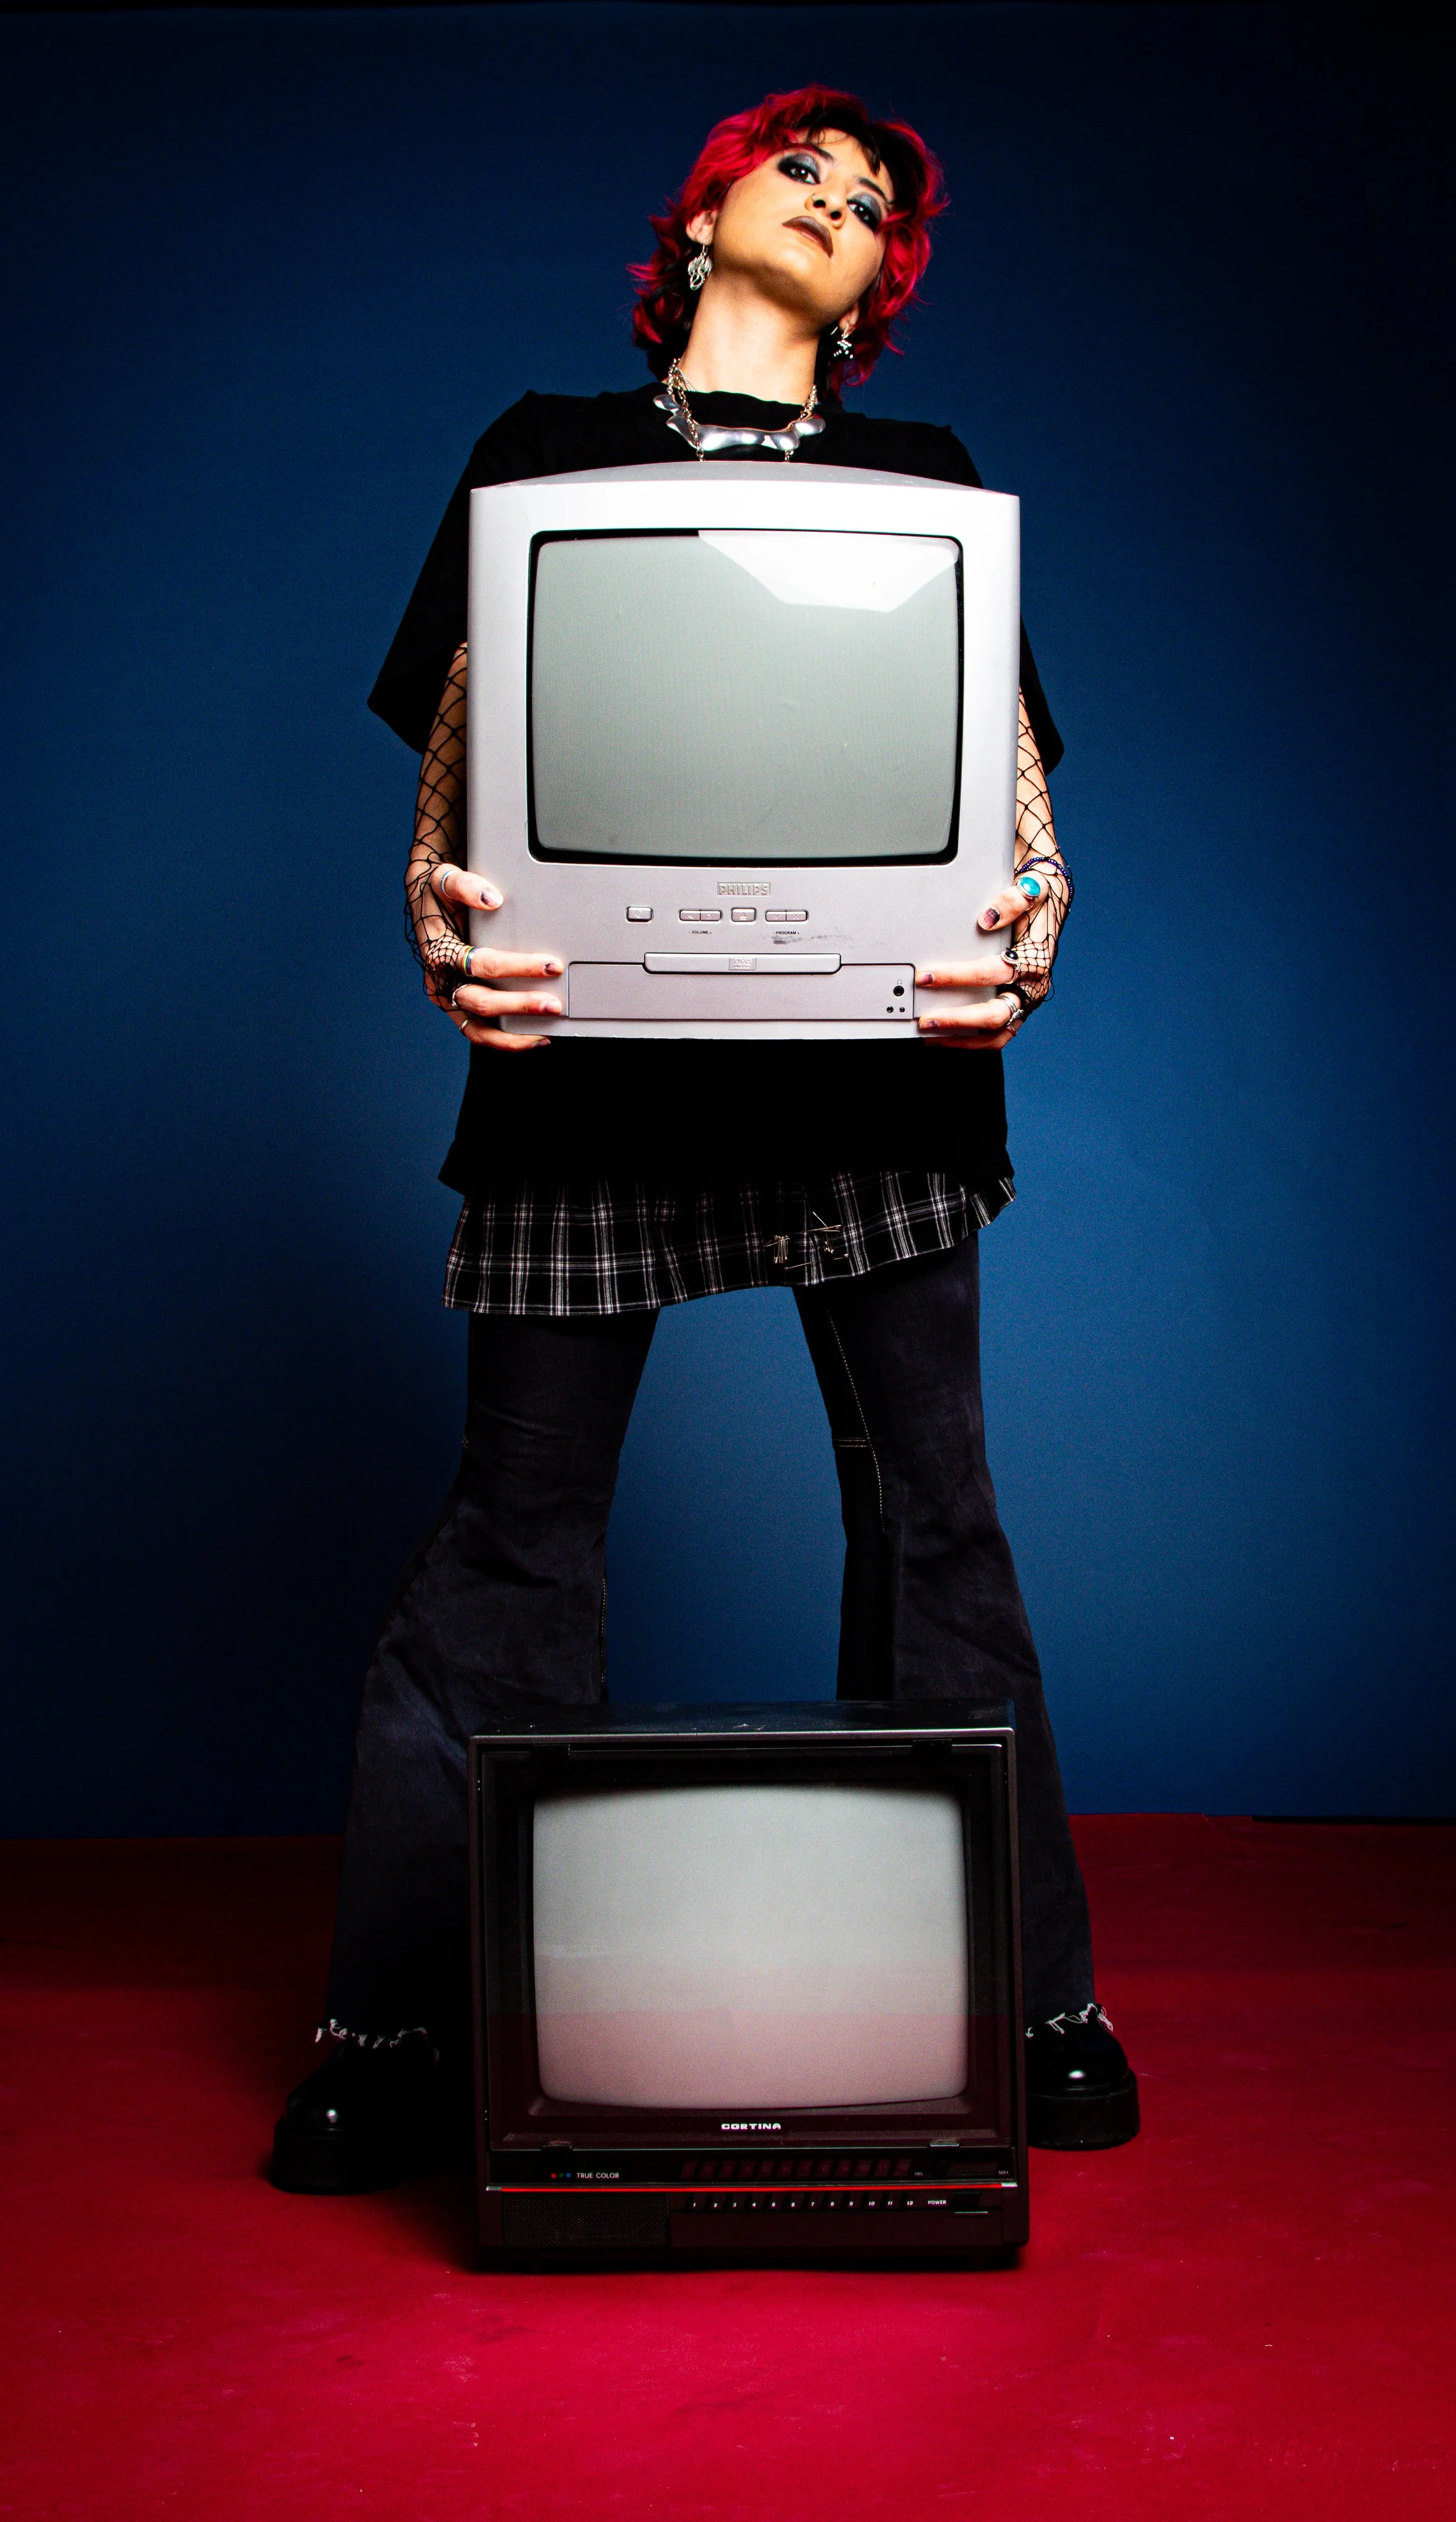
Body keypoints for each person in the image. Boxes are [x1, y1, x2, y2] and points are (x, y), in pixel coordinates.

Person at [271, 85, 1138, 2191]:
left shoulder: (924, 482)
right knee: (509, 1550)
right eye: (801, 171)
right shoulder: (532, 451)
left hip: (874, 1088)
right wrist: (438, 948)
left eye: (874, 208)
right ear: (703, 214)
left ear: (880, 295)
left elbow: (1017, 815)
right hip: (586, 1091)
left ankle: (1024, 2005)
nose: (836, 202)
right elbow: (457, 783)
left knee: (942, 1533)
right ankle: (396, 2025)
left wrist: (1021, 958)